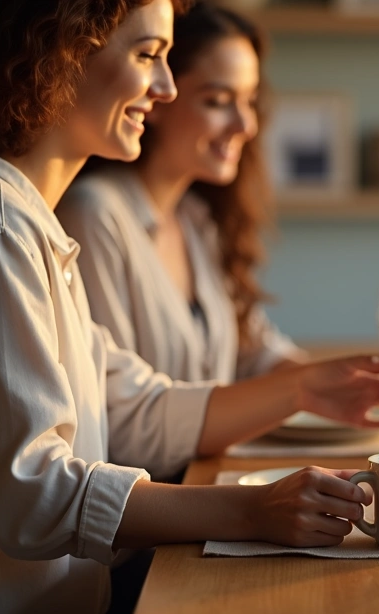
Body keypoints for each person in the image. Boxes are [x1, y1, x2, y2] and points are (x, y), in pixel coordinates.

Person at [0, 1, 379, 614]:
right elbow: (33, 496)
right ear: (61, 53)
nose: (165, 87)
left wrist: (308, 386)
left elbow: (135, 406)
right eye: (148, 56)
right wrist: (254, 511)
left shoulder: (31, 226)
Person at [58, 3, 305, 395]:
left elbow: (252, 350)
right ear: (156, 94)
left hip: (209, 459)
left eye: (249, 100)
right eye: (217, 101)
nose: (247, 125)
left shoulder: (196, 218)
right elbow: (116, 402)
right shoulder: (95, 214)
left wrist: (356, 378)